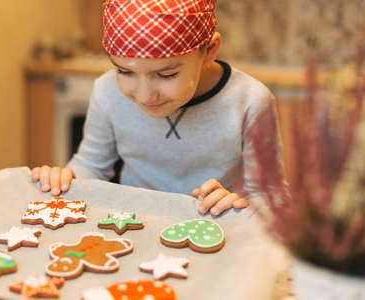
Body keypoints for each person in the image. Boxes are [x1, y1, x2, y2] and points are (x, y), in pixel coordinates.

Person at [32, 0, 287, 216]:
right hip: (133, 226)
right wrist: (64, 178)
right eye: (124, 71)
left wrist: (239, 204)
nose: (144, 95)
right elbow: (92, 166)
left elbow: (270, 196)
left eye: (166, 75)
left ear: (209, 50)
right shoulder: (106, 91)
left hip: (213, 233)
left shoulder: (250, 101)